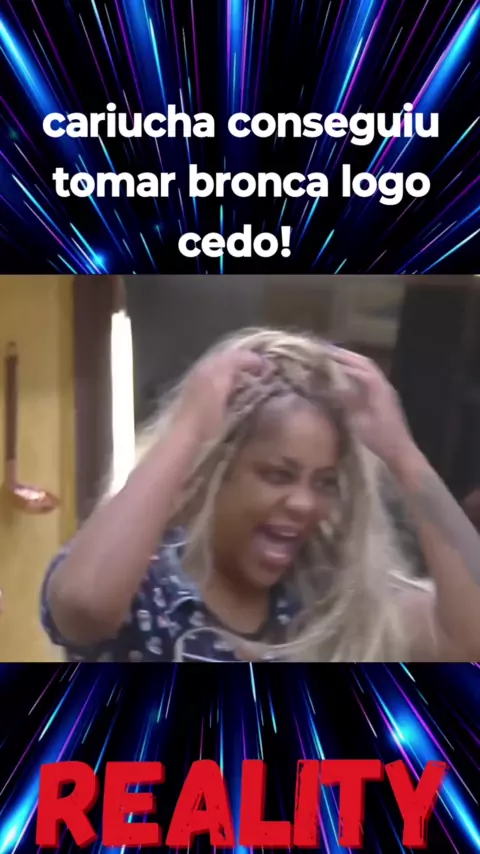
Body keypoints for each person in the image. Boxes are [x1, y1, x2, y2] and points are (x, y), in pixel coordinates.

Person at [41, 328, 480, 662]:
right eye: (278, 475)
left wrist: (404, 456)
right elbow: (84, 606)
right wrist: (190, 428)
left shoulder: (325, 596)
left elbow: (469, 637)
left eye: (324, 481)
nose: (305, 503)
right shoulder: (145, 586)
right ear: (217, 471)